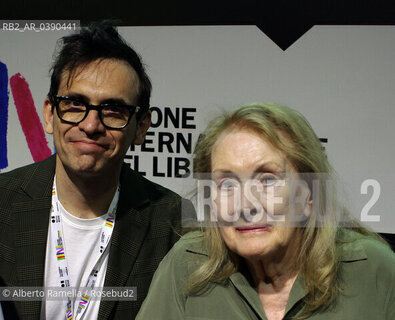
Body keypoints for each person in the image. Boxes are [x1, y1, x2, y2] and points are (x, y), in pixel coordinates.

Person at [136, 102, 395, 320]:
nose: (246, 205)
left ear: (308, 194)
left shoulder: (374, 269)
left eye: (268, 180)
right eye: (227, 184)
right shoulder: (189, 264)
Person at [0, 23, 187, 319]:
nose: (90, 125)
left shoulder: (174, 222)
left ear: (140, 127)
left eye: (113, 110)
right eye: (75, 104)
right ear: (50, 115)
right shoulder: (3, 201)